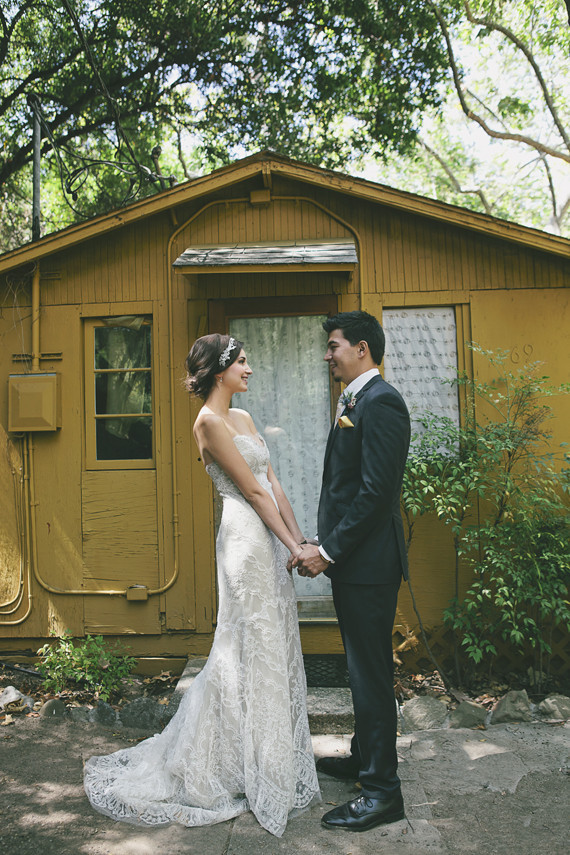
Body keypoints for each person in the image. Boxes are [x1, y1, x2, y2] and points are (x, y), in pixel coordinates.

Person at [84, 333, 320, 837]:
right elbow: (253, 492)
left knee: (269, 643)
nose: (250, 369)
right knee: (243, 646)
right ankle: (219, 763)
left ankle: (264, 759)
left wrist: (300, 541)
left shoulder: (244, 419)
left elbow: (274, 483)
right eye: (243, 361)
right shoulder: (208, 423)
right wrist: (291, 548)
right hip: (244, 540)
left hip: (270, 535)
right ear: (220, 370)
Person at [293, 310, 410, 833]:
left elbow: (375, 495)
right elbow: (348, 487)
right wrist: (325, 539)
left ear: (361, 349)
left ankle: (382, 792)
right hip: (355, 562)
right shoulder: (356, 400)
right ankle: (364, 758)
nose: (328, 354)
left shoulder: (382, 403)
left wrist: (330, 550)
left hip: (367, 566)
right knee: (363, 669)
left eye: (334, 345)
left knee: (369, 676)